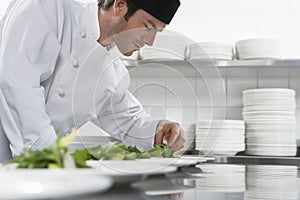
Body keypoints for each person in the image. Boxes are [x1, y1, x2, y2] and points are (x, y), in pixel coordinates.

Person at [0, 0, 185, 161]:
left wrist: (158, 131)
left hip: (31, 171)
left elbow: (126, 120)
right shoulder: (50, 10)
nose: (150, 41)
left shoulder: (112, 71)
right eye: (148, 26)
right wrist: (49, 156)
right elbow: (16, 84)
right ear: (120, 5)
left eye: (157, 32)